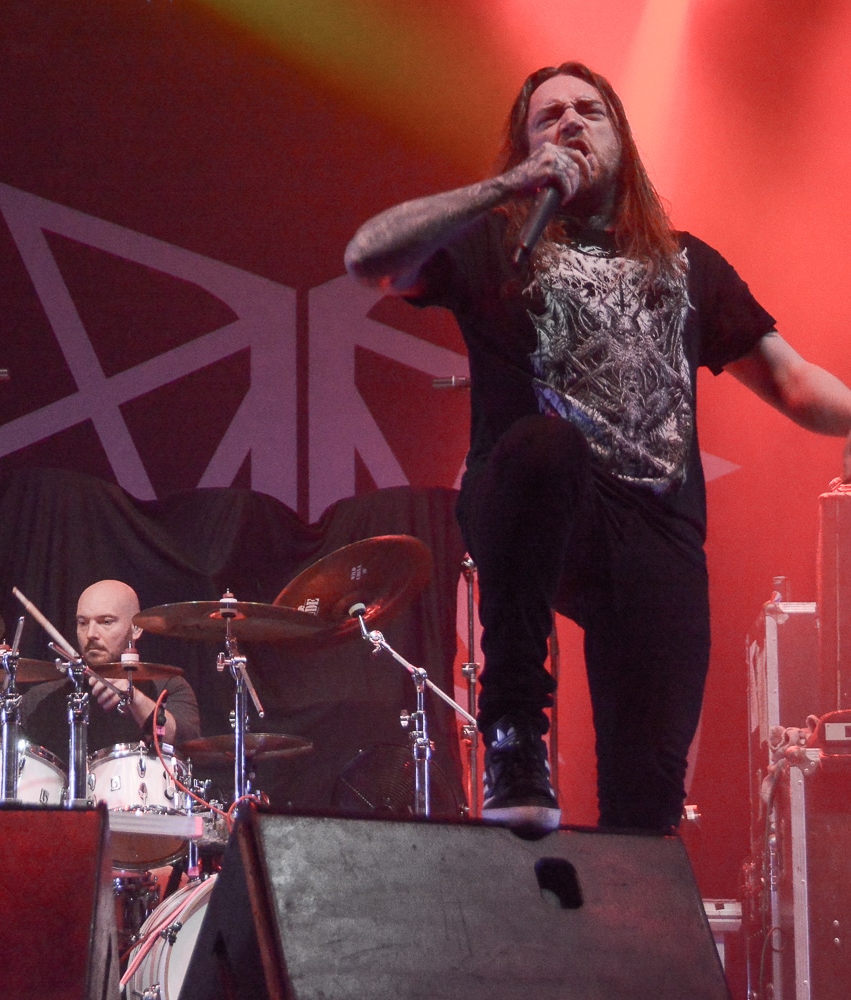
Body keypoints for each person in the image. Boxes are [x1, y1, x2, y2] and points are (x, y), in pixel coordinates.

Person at [344, 62, 851, 833]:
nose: (570, 124)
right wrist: (507, 188)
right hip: (535, 493)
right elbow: (369, 256)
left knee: (647, 812)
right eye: (547, 118)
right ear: (526, 147)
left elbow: (793, 382)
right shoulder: (497, 245)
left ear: (622, 138)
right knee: (547, 447)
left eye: (589, 110)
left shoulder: (690, 264)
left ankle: (625, 893)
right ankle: (514, 733)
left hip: (655, 531)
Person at [0, 579, 201, 758]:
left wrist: (133, 698)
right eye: (83, 623)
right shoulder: (48, 697)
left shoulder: (167, 686)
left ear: (136, 628)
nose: (91, 634)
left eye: (106, 622)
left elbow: (184, 740)